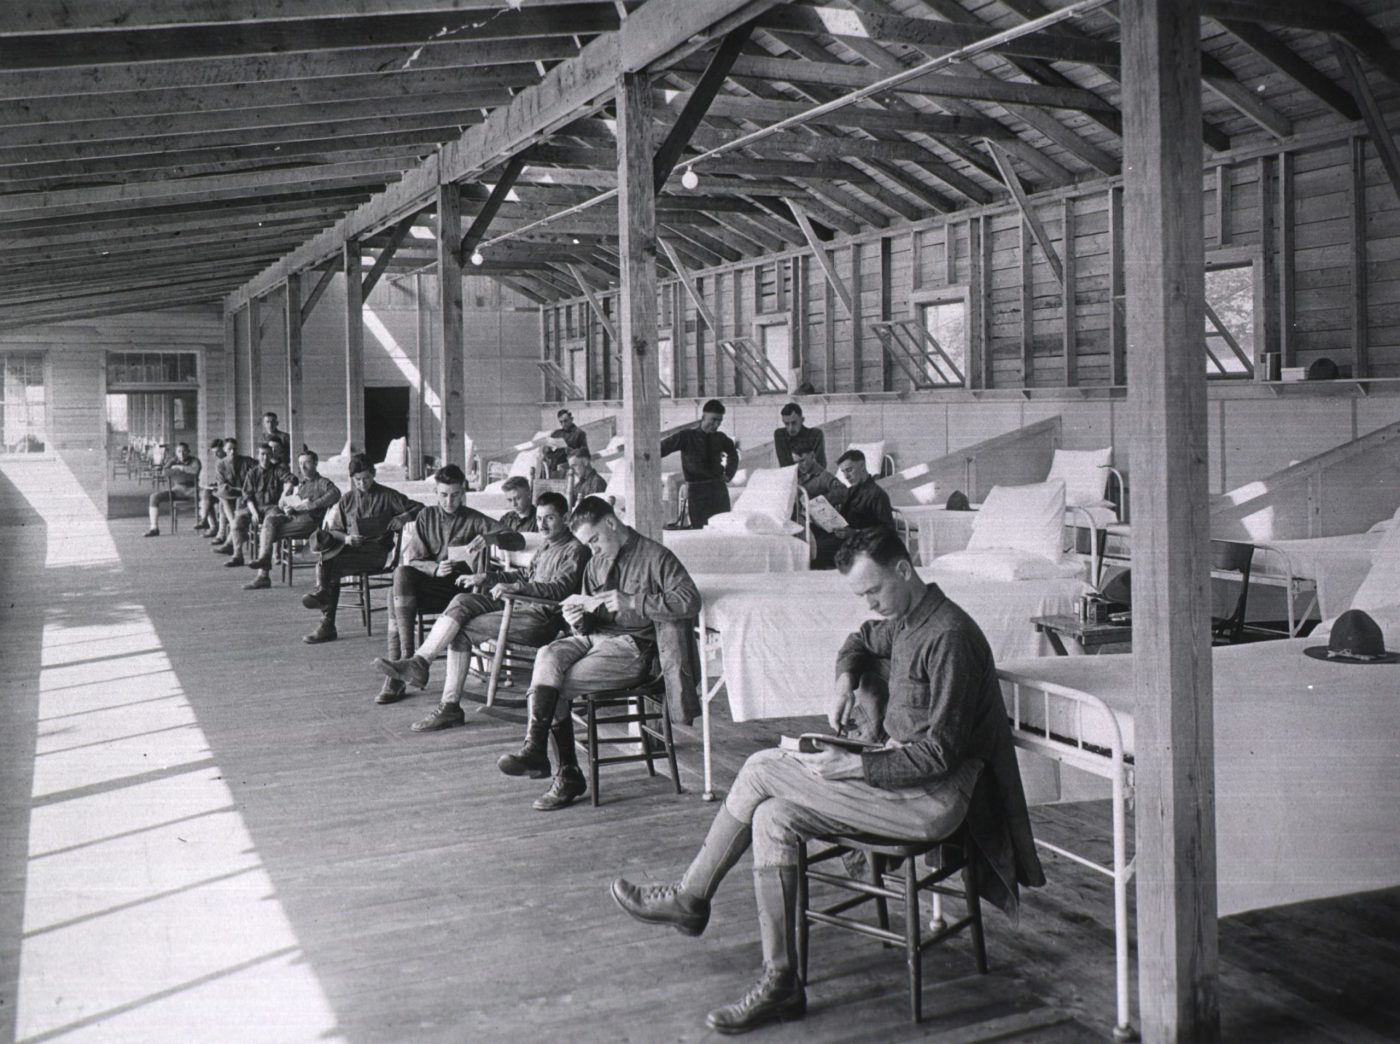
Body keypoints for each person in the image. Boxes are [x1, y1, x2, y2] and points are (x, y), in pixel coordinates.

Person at [610, 527, 1045, 1034]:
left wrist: (856, 766)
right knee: (772, 817)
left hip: (933, 799)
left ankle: (691, 898)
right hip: (900, 783)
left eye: (872, 591)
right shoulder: (904, 619)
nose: (869, 603)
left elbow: (941, 755)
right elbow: (858, 640)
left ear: (904, 570)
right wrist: (846, 680)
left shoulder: (949, 636)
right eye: (861, 594)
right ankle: (781, 982)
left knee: (762, 766)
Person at [497, 495, 700, 811]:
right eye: (587, 544)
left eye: (595, 540)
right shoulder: (595, 562)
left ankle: (567, 773)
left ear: (611, 523)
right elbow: (590, 613)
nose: (592, 550)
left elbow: (690, 601)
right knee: (547, 655)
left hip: (635, 648)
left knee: (554, 689)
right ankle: (536, 749)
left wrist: (634, 601)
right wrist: (578, 618)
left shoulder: (657, 557)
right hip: (594, 638)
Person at [375, 492, 590, 732]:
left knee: (461, 632)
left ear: (566, 517)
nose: (541, 525)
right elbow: (523, 575)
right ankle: (420, 661)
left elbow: (560, 588)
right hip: (520, 604)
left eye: (549, 518)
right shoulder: (546, 547)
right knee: (463, 600)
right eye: (539, 518)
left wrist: (516, 587)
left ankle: (449, 706)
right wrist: (487, 577)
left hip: (541, 617)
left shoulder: (575, 550)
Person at [373, 464, 506, 703]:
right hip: (432, 585)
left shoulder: (474, 519)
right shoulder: (426, 516)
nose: (449, 501)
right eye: (444, 495)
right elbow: (414, 559)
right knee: (401, 574)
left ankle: (400, 674)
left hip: (457, 591)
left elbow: (511, 536)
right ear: (436, 492)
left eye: (455, 495)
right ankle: (407, 658)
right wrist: (434, 568)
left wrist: (488, 538)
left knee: (394, 595)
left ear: (463, 493)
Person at [301, 454, 423, 645]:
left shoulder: (388, 496)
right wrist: (347, 538)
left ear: (374, 474)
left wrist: (403, 517)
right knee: (327, 558)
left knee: (329, 565)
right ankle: (324, 602)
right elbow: (335, 531)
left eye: (366, 478)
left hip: (378, 552)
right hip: (353, 549)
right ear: (352, 479)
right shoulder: (347, 499)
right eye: (357, 480)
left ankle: (326, 619)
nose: (363, 483)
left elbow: (420, 508)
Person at [242, 448, 342, 590]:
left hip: (309, 522)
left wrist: (313, 505)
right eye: (300, 463)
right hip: (295, 518)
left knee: (268, 533)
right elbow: (297, 503)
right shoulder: (303, 484)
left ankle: (263, 574)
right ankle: (264, 563)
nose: (303, 467)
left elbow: (335, 493)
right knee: (270, 521)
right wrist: (290, 508)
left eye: (307, 463)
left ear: (315, 464)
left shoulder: (321, 482)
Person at [662, 399, 739, 529]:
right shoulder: (686, 436)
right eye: (713, 420)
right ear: (703, 417)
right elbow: (661, 448)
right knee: (700, 529)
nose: (716, 425)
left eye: (719, 421)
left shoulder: (721, 438)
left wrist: (728, 474)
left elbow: (733, 455)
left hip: (719, 490)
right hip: (697, 492)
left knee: (724, 528)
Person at [228, 442, 294, 568]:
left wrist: (284, 495)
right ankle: (237, 555)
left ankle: (263, 557)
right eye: (262, 454)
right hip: (255, 506)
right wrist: (253, 512)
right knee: (236, 522)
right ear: (258, 456)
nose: (265, 457)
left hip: (273, 507)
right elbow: (247, 495)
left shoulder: (278, 470)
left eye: (268, 454)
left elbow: (292, 480)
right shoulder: (252, 473)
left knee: (269, 522)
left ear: (272, 455)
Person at [144, 442, 201, 537]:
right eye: (179, 451)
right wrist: (185, 469)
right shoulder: (173, 460)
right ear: (176, 453)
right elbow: (165, 472)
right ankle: (154, 528)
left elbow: (195, 470)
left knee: (208, 495)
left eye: (184, 451)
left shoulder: (195, 460)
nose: (182, 454)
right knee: (154, 497)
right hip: (177, 490)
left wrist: (180, 467)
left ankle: (210, 526)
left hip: (193, 489)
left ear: (189, 451)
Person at [211, 437, 257, 555]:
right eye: (230, 449)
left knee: (236, 501)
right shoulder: (221, 464)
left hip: (244, 495)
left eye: (235, 449)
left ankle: (229, 541)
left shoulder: (247, 461)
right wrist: (236, 489)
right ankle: (234, 527)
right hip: (229, 494)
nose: (233, 452)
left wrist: (246, 487)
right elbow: (222, 484)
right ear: (225, 450)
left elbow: (258, 471)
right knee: (223, 497)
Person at [833, 449, 895, 532]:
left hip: (863, 543)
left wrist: (854, 533)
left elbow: (888, 531)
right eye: (843, 472)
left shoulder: (877, 495)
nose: (846, 476)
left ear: (862, 466)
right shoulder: (850, 492)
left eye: (849, 470)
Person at [773, 403, 825, 469]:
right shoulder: (780, 435)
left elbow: (821, 466)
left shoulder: (815, 434)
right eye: (787, 424)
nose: (790, 428)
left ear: (802, 420)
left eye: (794, 423)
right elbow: (785, 467)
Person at [542, 407, 589, 478]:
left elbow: (585, 452)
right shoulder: (556, 433)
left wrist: (572, 451)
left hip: (569, 469)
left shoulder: (579, 433)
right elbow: (548, 453)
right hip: (553, 468)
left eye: (565, 421)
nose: (563, 424)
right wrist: (546, 450)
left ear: (571, 419)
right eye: (561, 422)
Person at [194, 437, 227, 535]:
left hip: (229, 489)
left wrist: (218, 485)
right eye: (214, 452)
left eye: (217, 452)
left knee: (208, 496)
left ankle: (210, 525)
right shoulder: (218, 461)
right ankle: (210, 524)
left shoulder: (228, 460)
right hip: (221, 487)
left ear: (223, 449)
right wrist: (214, 485)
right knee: (207, 493)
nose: (215, 455)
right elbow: (220, 478)